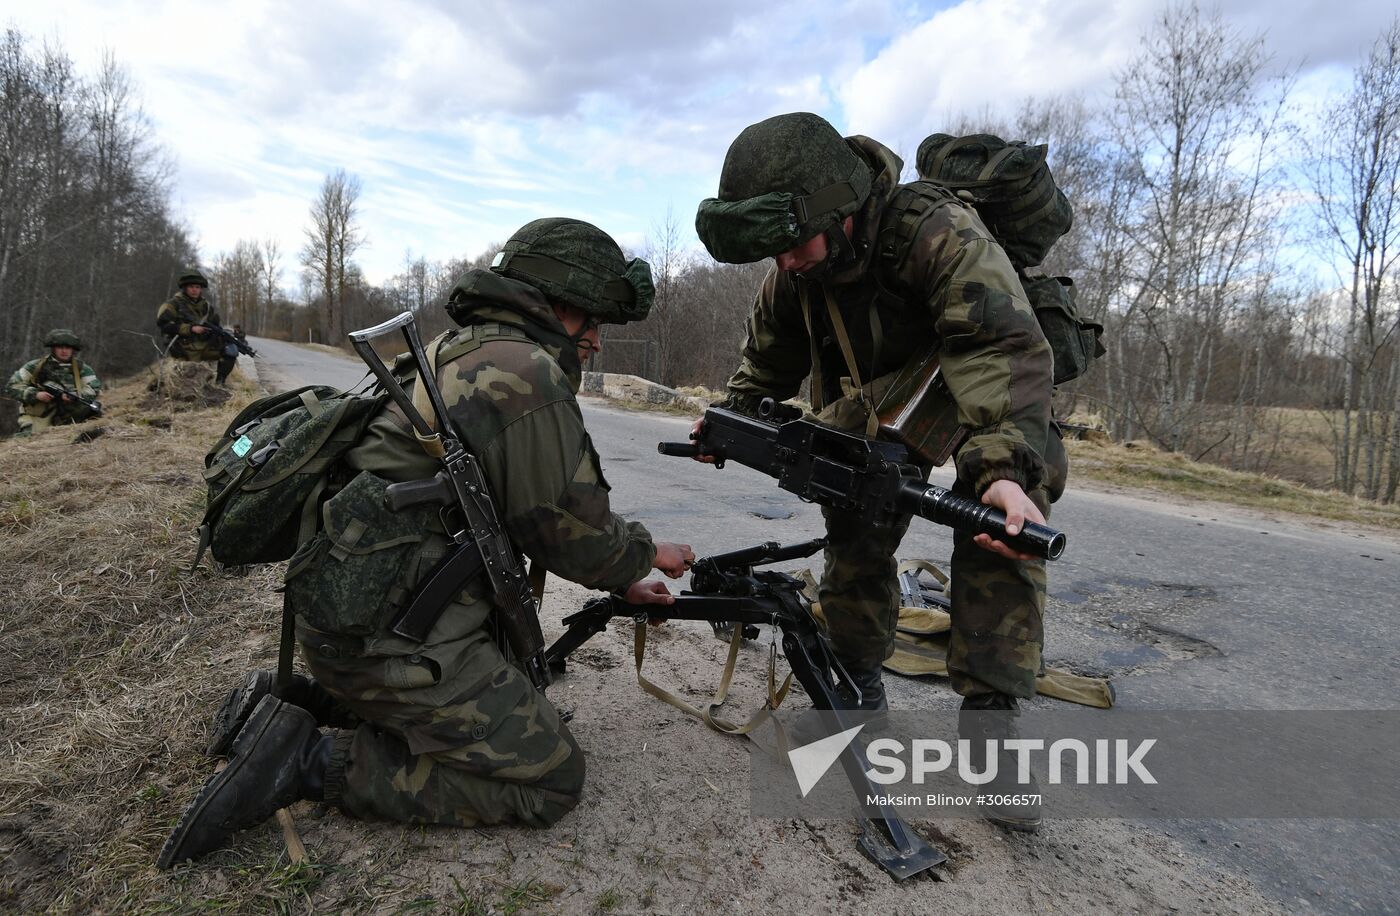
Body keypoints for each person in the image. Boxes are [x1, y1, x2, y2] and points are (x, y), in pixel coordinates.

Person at [160, 217, 695, 867]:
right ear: (562, 304)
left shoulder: (456, 348)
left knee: (523, 704)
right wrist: (644, 555)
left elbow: (532, 516)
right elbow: (569, 533)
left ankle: (294, 701)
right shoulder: (523, 372)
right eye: (595, 321)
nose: (598, 342)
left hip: (351, 623)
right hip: (387, 641)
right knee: (552, 778)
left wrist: (623, 575)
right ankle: (302, 760)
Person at [692, 112, 1067, 830]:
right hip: (886, 407)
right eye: (773, 251)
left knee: (999, 534)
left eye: (791, 244)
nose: (784, 263)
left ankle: (993, 730)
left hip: (996, 392)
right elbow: (766, 363)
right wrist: (727, 422)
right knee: (855, 529)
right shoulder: (797, 269)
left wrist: (1004, 470)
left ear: (837, 210)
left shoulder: (937, 232)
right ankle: (857, 693)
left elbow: (1001, 348)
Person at [5, 329, 103, 437]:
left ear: (72, 349)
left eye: (68, 348)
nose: (64, 351)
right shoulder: (35, 366)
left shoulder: (82, 369)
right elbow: (12, 386)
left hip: (70, 415)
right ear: (53, 348)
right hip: (39, 415)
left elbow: (93, 388)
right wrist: (36, 394)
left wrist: (75, 396)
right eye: (60, 347)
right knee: (30, 438)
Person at [157, 268, 238, 384]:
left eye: (197, 287)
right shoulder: (172, 305)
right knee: (186, 381)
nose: (194, 290)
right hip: (182, 348)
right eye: (191, 287)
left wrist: (222, 335)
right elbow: (164, 325)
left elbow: (215, 326)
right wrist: (190, 329)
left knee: (230, 351)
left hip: (203, 346)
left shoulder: (206, 307)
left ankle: (220, 383)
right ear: (185, 287)